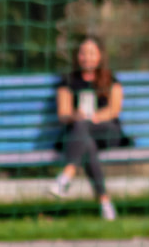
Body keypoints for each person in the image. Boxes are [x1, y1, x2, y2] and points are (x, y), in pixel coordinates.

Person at [49, 36, 125, 221]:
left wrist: (97, 116)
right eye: (83, 53)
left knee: (84, 131)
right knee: (87, 144)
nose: (87, 57)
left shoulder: (110, 78)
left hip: (106, 131)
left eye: (91, 53)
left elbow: (114, 110)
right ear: (77, 56)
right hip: (79, 135)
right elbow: (64, 113)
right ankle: (105, 203)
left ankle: (67, 175)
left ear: (100, 55)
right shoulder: (68, 80)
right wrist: (77, 115)